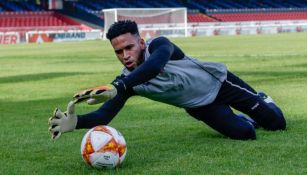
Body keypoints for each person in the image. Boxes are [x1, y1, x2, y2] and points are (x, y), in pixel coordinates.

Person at [48, 20, 286, 141]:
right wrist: (76, 122)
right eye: (118, 52)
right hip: (200, 106)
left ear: (141, 42)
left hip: (220, 84)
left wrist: (119, 86)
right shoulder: (127, 81)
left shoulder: (160, 46)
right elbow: (103, 116)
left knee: (276, 124)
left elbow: (155, 66)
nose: (125, 56)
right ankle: (243, 119)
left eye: (129, 47)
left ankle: (263, 99)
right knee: (246, 134)